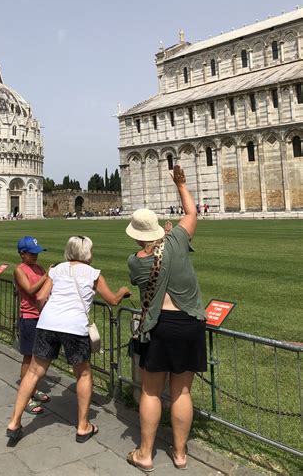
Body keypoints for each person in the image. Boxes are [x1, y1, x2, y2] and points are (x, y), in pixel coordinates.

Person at [6, 235, 130, 444]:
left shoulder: (56, 270)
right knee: (83, 374)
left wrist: (48, 315)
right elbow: (112, 301)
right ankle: (83, 426)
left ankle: (14, 421)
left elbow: (39, 298)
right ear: (87, 253)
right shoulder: (93, 274)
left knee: (34, 371)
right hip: (74, 325)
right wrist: (123, 292)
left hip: (47, 322)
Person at [125, 165, 206, 473]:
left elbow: (152, 264)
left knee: (151, 392)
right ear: (159, 229)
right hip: (189, 323)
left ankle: (145, 454)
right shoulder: (177, 241)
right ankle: (181, 454)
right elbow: (191, 211)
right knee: (182, 391)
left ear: (135, 236)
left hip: (158, 328)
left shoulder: (134, 262)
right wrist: (181, 184)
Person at [14, 236, 50, 415]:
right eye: (32, 254)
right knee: (28, 358)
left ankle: (33, 389)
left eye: (37, 253)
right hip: (28, 317)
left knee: (37, 357)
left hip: (41, 316)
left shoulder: (38, 268)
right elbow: (29, 289)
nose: (36, 256)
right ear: (22, 254)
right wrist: (46, 277)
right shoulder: (20, 270)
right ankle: (26, 395)